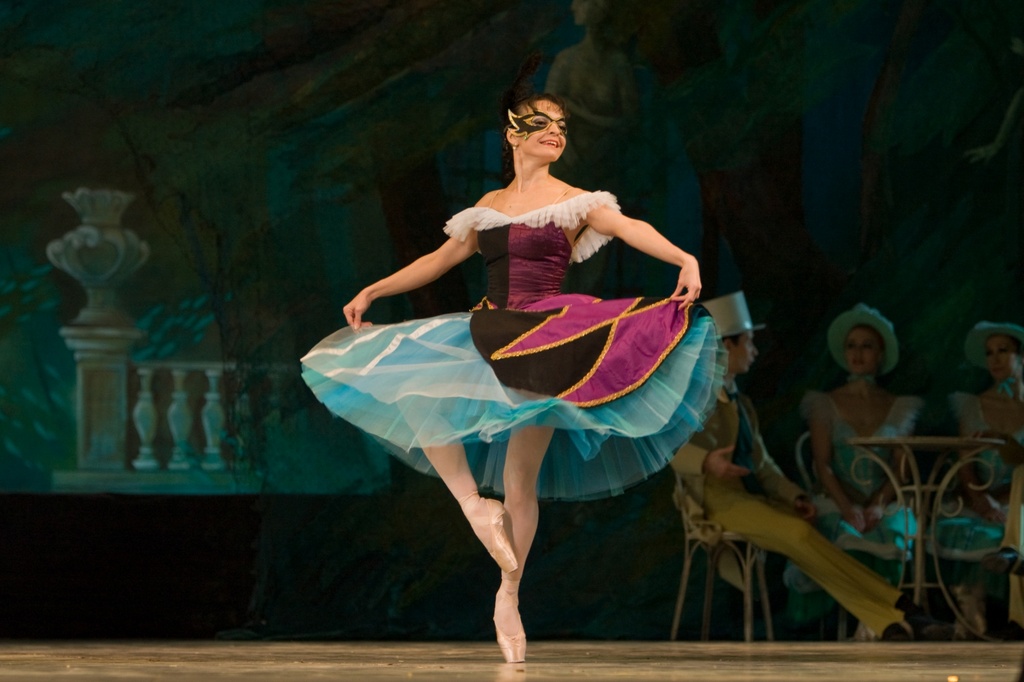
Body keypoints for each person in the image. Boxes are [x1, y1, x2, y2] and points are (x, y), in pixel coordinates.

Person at [300, 58, 724, 663]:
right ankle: (474, 505)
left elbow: (631, 226)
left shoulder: (577, 201)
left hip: (546, 338)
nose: (555, 132)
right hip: (488, 328)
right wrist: (375, 289)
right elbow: (438, 261)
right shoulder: (489, 205)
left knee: (521, 480)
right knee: (414, 389)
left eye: (562, 127)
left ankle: (508, 594)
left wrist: (685, 258)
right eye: (543, 123)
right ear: (513, 133)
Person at [670, 291, 954, 641]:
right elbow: (665, 447)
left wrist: (796, 497)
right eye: (749, 342)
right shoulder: (694, 397)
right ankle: (897, 611)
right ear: (728, 346)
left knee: (807, 534)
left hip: (747, 500)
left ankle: (896, 615)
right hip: (712, 502)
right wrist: (705, 461)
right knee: (799, 534)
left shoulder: (742, 404)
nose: (755, 351)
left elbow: (765, 466)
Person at [788, 304, 920, 637]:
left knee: (891, 533)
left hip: (883, 502)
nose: (858, 354)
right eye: (852, 346)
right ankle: (874, 621)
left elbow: (900, 469)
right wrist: (849, 508)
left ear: (880, 354)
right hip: (839, 500)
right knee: (844, 534)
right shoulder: (824, 403)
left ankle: (876, 624)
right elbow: (823, 464)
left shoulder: (899, 406)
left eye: (866, 346)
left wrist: (877, 504)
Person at [935, 321, 1024, 638]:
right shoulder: (974, 405)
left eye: (1003, 350)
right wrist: (981, 500)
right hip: (985, 500)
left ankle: (1018, 620)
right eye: (990, 353)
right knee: (969, 529)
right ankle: (974, 621)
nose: (995, 358)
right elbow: (966, 465)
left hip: (1018, 500)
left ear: (1020, 356)